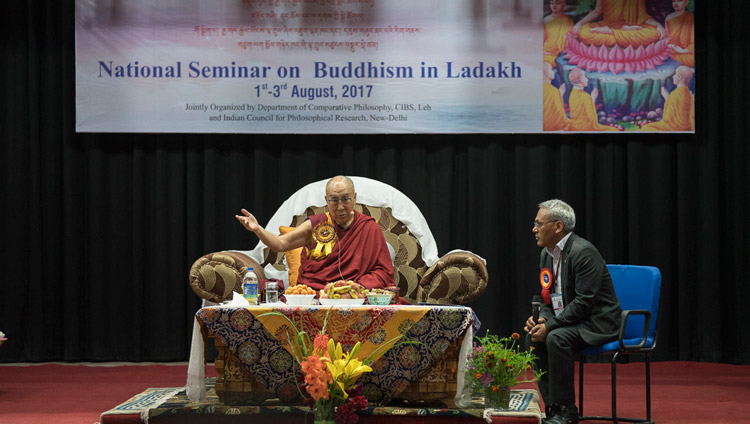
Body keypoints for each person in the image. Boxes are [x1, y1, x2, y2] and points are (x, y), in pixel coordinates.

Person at [525, 200, 622, 424]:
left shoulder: (584, 252)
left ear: (558, 226)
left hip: (597, 321)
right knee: (535, 336)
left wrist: (549, 325)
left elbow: (584, 303)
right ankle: (553, 406)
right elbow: (548, 297)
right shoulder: (547, 254)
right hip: (572, 320)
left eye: (539, 223)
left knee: (556, 338)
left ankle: (567, 410)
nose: (534, 229)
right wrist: (540, 320)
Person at [235, 175, 394, 291]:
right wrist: (258, 229)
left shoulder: (368, 227)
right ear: (326, 200)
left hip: (355, 295)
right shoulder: (317, 225)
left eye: (346, 199)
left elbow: (384, 272)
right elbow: (280, 244)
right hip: (318, 293)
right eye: (334, 200)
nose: (340, 207)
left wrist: (357, 286)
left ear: (354, 198)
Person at [641, 66, 694, 131]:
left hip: (674, 127)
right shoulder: (689, 94)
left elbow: (667, 119)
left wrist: (666, 97)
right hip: (686, 127)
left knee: (645, 128)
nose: (673, 76)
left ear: (679, 77)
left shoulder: (675, 94)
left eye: (675, 74)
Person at [567, 67, 618, 132]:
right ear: (581, 79)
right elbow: (592, 120)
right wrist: (593, 99)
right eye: (585, 77)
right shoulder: (585, 96)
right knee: (614, 130)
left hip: (574, 126)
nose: (587, 79)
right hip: (585, 128)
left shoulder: (572, 94)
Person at [543, 0, 574, 69]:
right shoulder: (546, 20)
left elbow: (571, 39)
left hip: (562, 54)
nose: (554, 6)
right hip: (548, 53)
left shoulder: (568, 20)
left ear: (563, 5)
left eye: (557, 3)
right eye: (552, 3)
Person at [665, 0, 694, 68]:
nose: (676, 3)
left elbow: (694, 42)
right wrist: (669, 45)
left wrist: (683, 51)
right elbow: (666, 38)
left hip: (687, 51)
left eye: (680, 1)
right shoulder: (668, 18)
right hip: (672, 51)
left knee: (693, 58)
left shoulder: (691, 17)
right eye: (673, 1)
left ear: (686, 2)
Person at [543, 62, 571, 131]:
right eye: (551, 70)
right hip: (551, 125)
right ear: (546, 73)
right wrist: (559, 95)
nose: (553, 72)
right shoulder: (552, 91)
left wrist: (559, 94)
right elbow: (558, 113)